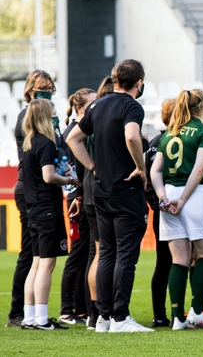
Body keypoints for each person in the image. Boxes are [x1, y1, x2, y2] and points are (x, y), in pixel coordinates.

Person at [66, 59, 154, 333]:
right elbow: (131, 136)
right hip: (125, 189)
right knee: (126, 255)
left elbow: (73, 139)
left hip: (101, 191)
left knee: (106, 254)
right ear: (139, 82)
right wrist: (140, 168)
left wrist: (93, 167)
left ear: (115, 79)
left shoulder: (97, 105)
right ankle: (120, 317)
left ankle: (103, 317)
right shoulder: (131, 106)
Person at [150, 89, 203, 330]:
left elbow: (155, 170)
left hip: (169, 194)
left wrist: (164, 196)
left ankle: (177, 317)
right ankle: (197, 311)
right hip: (193, 194)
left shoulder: (170, 133)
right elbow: (199, 170)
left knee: (178, 259)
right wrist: (183, 199)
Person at [21, 99, 80, 330]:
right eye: (53, 114)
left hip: (34, 208)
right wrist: (70, 180)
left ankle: (30, 316)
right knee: (47, 264)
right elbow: (48, 176)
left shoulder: (29, 142)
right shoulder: (45, 143)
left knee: (36, 263)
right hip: (47, 208)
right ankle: (42, 319)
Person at [7, 70, 57, 328]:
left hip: (31, 188)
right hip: (32, 190)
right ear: (30, 90)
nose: (47, 91)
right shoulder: (29, 120)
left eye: (50, 87)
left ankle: (28, 313)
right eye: (42, 88)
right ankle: (20, 312)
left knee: (34, 255)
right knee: (33, 255)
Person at [58, 88, 96, 325]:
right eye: (92, 103)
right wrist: (77, 197)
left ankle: (81, 308)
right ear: (81, 107)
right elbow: (72, 170)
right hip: (78, 199)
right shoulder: (74, 132)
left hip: (80, 196)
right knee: (79, 254)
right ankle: (67, 308)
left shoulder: (78, 129)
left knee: (85, 254)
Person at [82, 76, 114, 329]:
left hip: (92, 188)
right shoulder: (110, 117)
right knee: (104, 253)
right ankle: (100, 312)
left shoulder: (94, 116)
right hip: (103, 188)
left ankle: (96, 313)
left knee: (99, 252)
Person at [144, 98, 176, 328]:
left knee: (163, 263)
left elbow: (147, 183)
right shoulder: (175, 142)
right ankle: (179, 313)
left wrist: (155, 203)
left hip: (160, 211)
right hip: (175, 208)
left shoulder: (154, 142)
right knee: (180, 262)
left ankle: (160, 315)